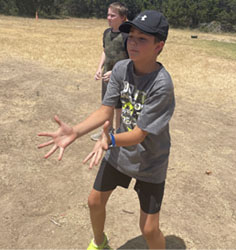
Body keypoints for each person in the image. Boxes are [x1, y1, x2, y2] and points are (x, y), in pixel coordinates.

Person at [38, 10, 175, 250]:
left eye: (142, 39)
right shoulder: (121, 69)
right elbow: (105, 112)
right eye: (131, 36)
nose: (132, 42)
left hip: (150, 161)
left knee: (149, 229)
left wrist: (109, 140)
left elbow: (140, 134)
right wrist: (76, 132)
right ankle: (100, 242)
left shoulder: (161, 84)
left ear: (159, 45)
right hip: (119, 151)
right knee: (94, 201)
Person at [91, 2, 129, 141]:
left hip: (121, 78)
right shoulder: (107, 33)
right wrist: (99, 68)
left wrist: (114, 73)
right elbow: (105, 51)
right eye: (108, 15)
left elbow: (130, 60)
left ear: (123, 17)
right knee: (107, 106)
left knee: (119, 107)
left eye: (113, 15)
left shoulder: (126, 36)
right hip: (106, 77)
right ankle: (107, 132)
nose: (109, 18)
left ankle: (117, 136)